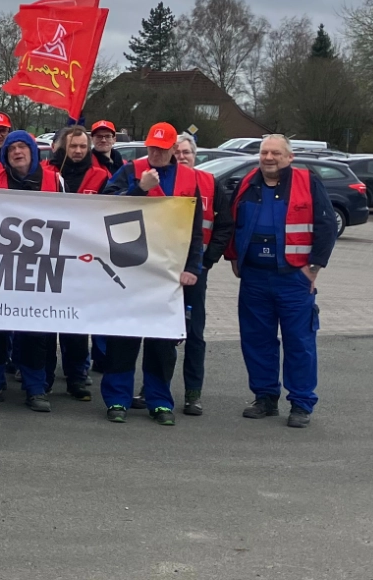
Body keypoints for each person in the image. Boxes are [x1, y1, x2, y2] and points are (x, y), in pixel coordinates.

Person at [96, 122, 203, 425]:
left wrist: (193, 267)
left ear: (173, 149)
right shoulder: (131, 170)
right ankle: (117, 399)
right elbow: (104, 206)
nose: (155, 153)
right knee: (123, 338)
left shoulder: (188, 178)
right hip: (129, 267)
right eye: (152, 147)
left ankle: (159, 401)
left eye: (162, 148)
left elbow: (195, 230)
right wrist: (137, 188)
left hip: (167, 272)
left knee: (162, 341)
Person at [227, 134, 337, 427]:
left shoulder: (307, 182)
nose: (269, 157)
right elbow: (232, 220)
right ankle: (265, 397)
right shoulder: (248, 182)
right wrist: (235, 258)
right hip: (254, 278)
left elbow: (326, 225)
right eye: (264, 152)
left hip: (293, 278)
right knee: (256, 341)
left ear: (289, 157)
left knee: (299, 342)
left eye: (276, 153)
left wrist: (313, 267)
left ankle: (301, 403)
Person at [0, 131, 61, 412]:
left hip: (38, 269)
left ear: (32, 151)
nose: (17, 152)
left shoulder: (54, 180)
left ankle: (35, 388)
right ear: (4, 155)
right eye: (11, 148)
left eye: (22, 147)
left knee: (35, 331)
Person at [50, 124, 110, 400]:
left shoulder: (101, 176)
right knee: (46, 323)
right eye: (72, 146)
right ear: (61, 147)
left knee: (75, 324)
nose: (77, 151)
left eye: (82, 146)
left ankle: (77, 377)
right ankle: (43, 377)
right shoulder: (47, 174)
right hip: (49, 258)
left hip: (83, 262)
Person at [174, 133, 230, 416]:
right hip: (164, 272)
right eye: (177, 152)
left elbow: (224, 225)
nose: (182, 156)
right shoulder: (162, 183)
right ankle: (153, 388)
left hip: (197, 272)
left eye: (186, 152)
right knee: (162, 333)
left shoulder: (210, 184)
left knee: (195, 334)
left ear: (195, 156)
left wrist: (207, 260)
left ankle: (193, 394)